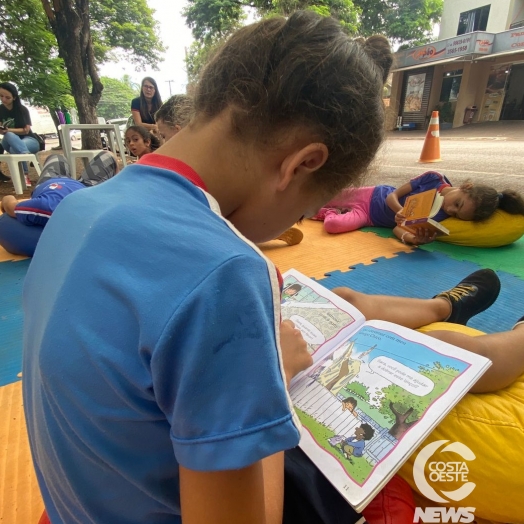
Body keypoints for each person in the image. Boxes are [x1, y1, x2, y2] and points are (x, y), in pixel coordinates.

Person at [24, 11, 395, 524]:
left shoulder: (78, 209)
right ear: (301, 163)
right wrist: (274, 378)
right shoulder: (227, 270)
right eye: (310, 206)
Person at [312, 171, 524, 245]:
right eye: (458, 204)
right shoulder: (433, 179)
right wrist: (400, 211)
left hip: (368, 217)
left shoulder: (440, 217)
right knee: (322, 195)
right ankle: (328, 206)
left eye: (458, 214)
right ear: (466, 187)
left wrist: (413, 239)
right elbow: (393, 196)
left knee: (333, 225)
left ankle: (330, 212)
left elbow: (397, 229)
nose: (452, 210)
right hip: (375, 195)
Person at [0, 151, 119, 256]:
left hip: (58, 181)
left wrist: (6, 201)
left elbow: (10, 204)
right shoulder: (47, 207)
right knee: (107, 156)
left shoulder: (48, 207)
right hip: (83, 186)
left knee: (56, 156)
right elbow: (11, 205)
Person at [0, 82, 41, 185]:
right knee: (8, 138)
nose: (3, 99)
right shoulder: (0, 109)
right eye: (1, 96)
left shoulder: (22, 109)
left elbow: (26, 130)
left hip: (29, 140)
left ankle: (24, 170)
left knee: (12, 143)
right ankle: (25, 157)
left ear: (14, 98)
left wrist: (8, 130)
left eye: (7, 97)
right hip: (9, 142)